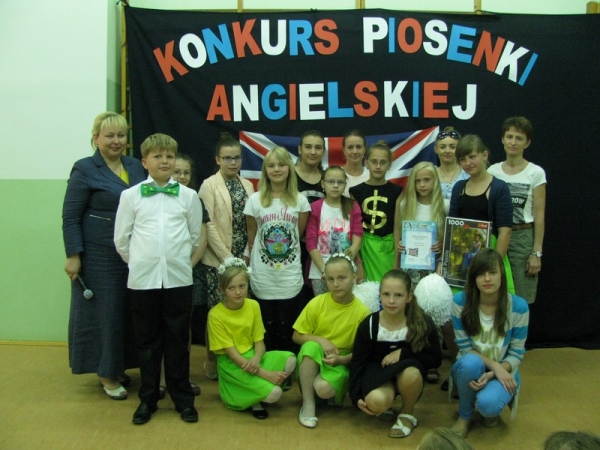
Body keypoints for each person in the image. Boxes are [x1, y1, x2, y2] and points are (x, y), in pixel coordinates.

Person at [114, 133, 203, 425]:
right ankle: (148, 399)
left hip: (178, 279)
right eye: (157, 156)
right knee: (147, 342)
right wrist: (139, 262)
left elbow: (194, 236)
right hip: (143, 281)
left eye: (169, 156)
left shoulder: (188, 196)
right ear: (144, 162)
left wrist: (176, 261)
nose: (164, 161)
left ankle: (183, 399)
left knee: (178, 341)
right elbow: (121, 240)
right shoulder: (131, 196)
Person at [62, 111, 145, 400]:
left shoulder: (134, 166)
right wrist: (73, 255)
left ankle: (119, 366)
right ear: (96, 138)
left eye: (121, 135)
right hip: (98, 255)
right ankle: (106, 373)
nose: (116, 141)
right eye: (109, 135)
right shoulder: (84, 168)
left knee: (127, 313)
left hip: (132, 253)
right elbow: (70, 217)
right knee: (107, 314)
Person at [349, 269, 441, 438]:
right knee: (375, 402)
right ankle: (387, 404)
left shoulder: (422, 323)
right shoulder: (370, 324)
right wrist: (355, 397)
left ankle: (407, 413)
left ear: (409, 297)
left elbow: (435, 359)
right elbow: (358, 361)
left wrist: (404, 353)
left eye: (398, 295)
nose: (391, 301)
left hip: (407, 373)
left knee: (411, 374)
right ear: (380, 294)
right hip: (379, 371)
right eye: (386, 294)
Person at [449, 249, 529, 438]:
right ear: (473, 278)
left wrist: (496, 371)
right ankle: (465, 415)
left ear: (502, 275)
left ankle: (488, 404)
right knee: (470, 363)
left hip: (503, 370)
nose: (487, 279)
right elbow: (464, 348)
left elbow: (517, 353)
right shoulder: (460, 302)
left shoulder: (519, 307)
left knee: (488, 406)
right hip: (471, 366)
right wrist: (495, 366)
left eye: (492, 272)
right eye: (480, 274)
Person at [207, 258, 297, 419]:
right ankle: (252, 397)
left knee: (290, 359)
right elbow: (232, 355)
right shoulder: (215, 315)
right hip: (233, 365)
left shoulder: (253, 305)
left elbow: (259, 344)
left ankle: (257, 390)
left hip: (253, 357)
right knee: (275, 393)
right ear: (222, 289)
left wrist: (256, 358)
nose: (238, 292)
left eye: (242, 286)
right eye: (231, 288)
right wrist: (266, 374)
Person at [198, 133, 254, 380]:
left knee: (239, 311)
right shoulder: (209, 185)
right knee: (217, 313)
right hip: (217, 260)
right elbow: (207, 224)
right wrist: (227, 257)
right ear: (218, 159)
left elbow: (251, 222)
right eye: (228, 158)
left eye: (237, 158)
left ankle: (238, 360)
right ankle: (212, 359)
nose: (233, 162)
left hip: (243, 258)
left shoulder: (248, 185)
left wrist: (245, 255)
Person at [244, 146, 311, 351]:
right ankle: (268, 365)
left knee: (287, 329)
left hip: (289, 275)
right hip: (263, 275)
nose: (276, 169)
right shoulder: (255, 200)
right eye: (271, 165)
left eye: (281, 165)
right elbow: (252, 238)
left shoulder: (300, 200)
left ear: (289, 168)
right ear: (265, 170)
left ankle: (287, 365)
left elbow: (298, 234)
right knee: (265, 329)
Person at [293, 254, 371, 429]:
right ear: (325, 280)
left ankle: (323, 390)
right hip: (316, 357)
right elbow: (296, 336)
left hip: (341, 362)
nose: (336, 284)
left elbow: (364, 352)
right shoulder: (317, 303)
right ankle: (308, 404)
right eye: (330, 279)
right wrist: (320, 340)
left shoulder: (363, 312)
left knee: (323, 388)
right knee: (310, 346)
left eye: (342, 278)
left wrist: (341, 360)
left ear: (354, 277)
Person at [395, 161, 455, 383]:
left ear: (435, 181)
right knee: (413, 313)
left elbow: (451, 239)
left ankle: (433, 362)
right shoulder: (405, 204)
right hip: (410, 267)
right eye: (418, 181)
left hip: (434, 268)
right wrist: (399, 252)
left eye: (427, 180)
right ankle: (414, 357)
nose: (422, 184)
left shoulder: (445, 205)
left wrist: (441, 247)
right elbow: (397, 234)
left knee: (434, 315)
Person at [157, 153, 208, 399]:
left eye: (186, 173)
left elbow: (201, 238)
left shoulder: (194, 199)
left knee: (182, 328)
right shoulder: (154, 197)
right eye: (177, 172)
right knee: (158, 327)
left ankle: (181, 378)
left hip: (188, 273)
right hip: (156, 273)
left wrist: (186, 266)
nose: (182, 177)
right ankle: (159, 378)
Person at [488, 117, 546, 304]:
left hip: (522, 238)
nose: (513, 142)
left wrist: (536, 253)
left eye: (519, 138)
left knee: (520, 297)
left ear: (527, 143)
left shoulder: (535, 172)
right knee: (492, 291)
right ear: (502, 139)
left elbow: (539, 215)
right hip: (496, 235)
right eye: (509, 137)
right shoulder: (492, 172)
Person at [449, 134, 514, 293]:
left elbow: (505, 231)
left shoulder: (499, 188)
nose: (468, 163)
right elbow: (452, 227)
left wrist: (493, 266)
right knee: (461, 302)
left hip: (492, 254)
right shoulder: (458, 188)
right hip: (463, 258)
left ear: (485, 155)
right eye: (463, 159)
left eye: (472, 157)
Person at [350, 141, 403, 282]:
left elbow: (397, 227)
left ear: (389, 165)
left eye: (383, 162)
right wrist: (358, 261)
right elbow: (354, 228)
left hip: (388, 249)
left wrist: (397, 262)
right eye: (374, 162)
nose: (378, 166)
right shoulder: (355, 191)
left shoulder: (397, 191)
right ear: (366, 163)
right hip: (364, 248)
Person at [306, 166, 363, 294]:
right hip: (320, 272)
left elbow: (358, 233)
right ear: (323, 184)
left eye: (340, 182)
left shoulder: (352, 206)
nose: (335, 186)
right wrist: (324, 271)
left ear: (345, 185)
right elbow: (310, 242)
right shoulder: (315, 207)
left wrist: (353, 250)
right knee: (323, 305)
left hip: (346, 273)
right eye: (331, 181)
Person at [435, 127, 469, 214]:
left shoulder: (468, 174)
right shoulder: (430, 174)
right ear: (436, 149)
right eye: (442, 147)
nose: (447, 151)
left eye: (452, 147)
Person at [341, 129, 369, 197]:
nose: (355, 151)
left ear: (364, 149)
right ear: (344, 150)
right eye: (350, 147)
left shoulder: (372, 175)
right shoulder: (335, 175)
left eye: (358, 147)